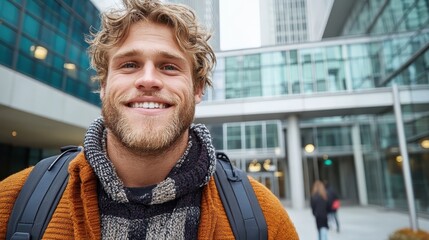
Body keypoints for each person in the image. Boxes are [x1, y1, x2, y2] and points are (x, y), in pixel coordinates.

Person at [0, 0, 299, 239]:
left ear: (197, 89)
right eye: (129, 64)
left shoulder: (264, 217)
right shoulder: (12, 202)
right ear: (103, 86)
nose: (148, 80)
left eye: (169, 67)